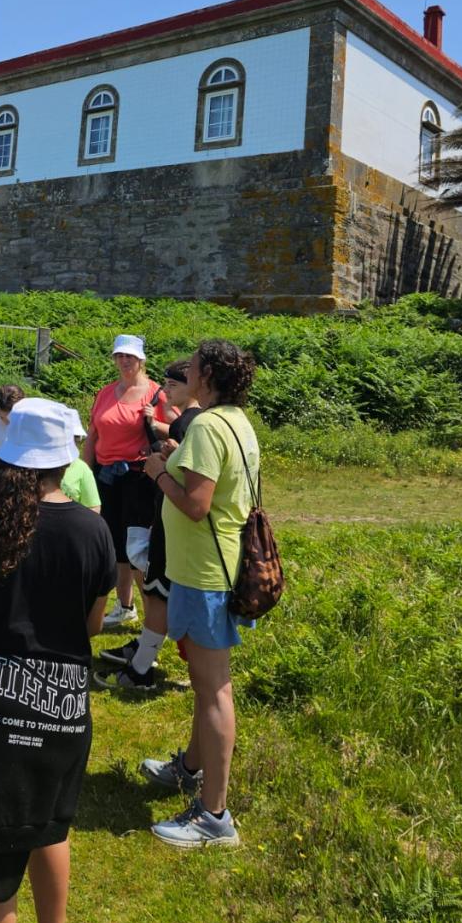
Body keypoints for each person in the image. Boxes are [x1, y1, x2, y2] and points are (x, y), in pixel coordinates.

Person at [0, 399, 116, 923]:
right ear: (66, 459)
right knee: (49, 825)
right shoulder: (94, 530)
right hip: (62, 711)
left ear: (11, 457)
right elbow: (93, 624)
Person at [139, 340, 259, 848]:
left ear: (206, 375)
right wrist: (176, 461)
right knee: (205, 682)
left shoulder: (207, 426)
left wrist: (159, 474)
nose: (183, 370)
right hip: (216, 567)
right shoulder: (235, 420)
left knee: (213, 689)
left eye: (191, 366)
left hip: (206, 573)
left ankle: (214, 816)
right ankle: (190, 767)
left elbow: (196, 506)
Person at [98, 360, 201, 690]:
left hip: (173, 518)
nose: (166, 390)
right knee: (158, 588)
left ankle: (144, 667)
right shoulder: (192, 420)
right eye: (166, 384)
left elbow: (191, 483)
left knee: (157, 591)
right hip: (171, 517)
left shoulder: (191, 421)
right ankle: (145, 651)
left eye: (173, 384)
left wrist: (159, 468)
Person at [80, 334, 172, 627]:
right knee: (114, 543)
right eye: (119, 355)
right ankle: (125, 605)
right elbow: (93, 435)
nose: (124, 361)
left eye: (130, 356)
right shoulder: (105, 393)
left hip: (139, 477)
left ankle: (153, 616)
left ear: (141, 359)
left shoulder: (156, 394)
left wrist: (154, 425)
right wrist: (84, 473)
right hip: (106, 476)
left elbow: (179, 429)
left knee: (138, 546)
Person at [57, 406, 102, 512]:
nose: (72, 443)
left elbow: (93, 507)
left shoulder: (82, 468)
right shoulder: (40, 467)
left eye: (76, 438)